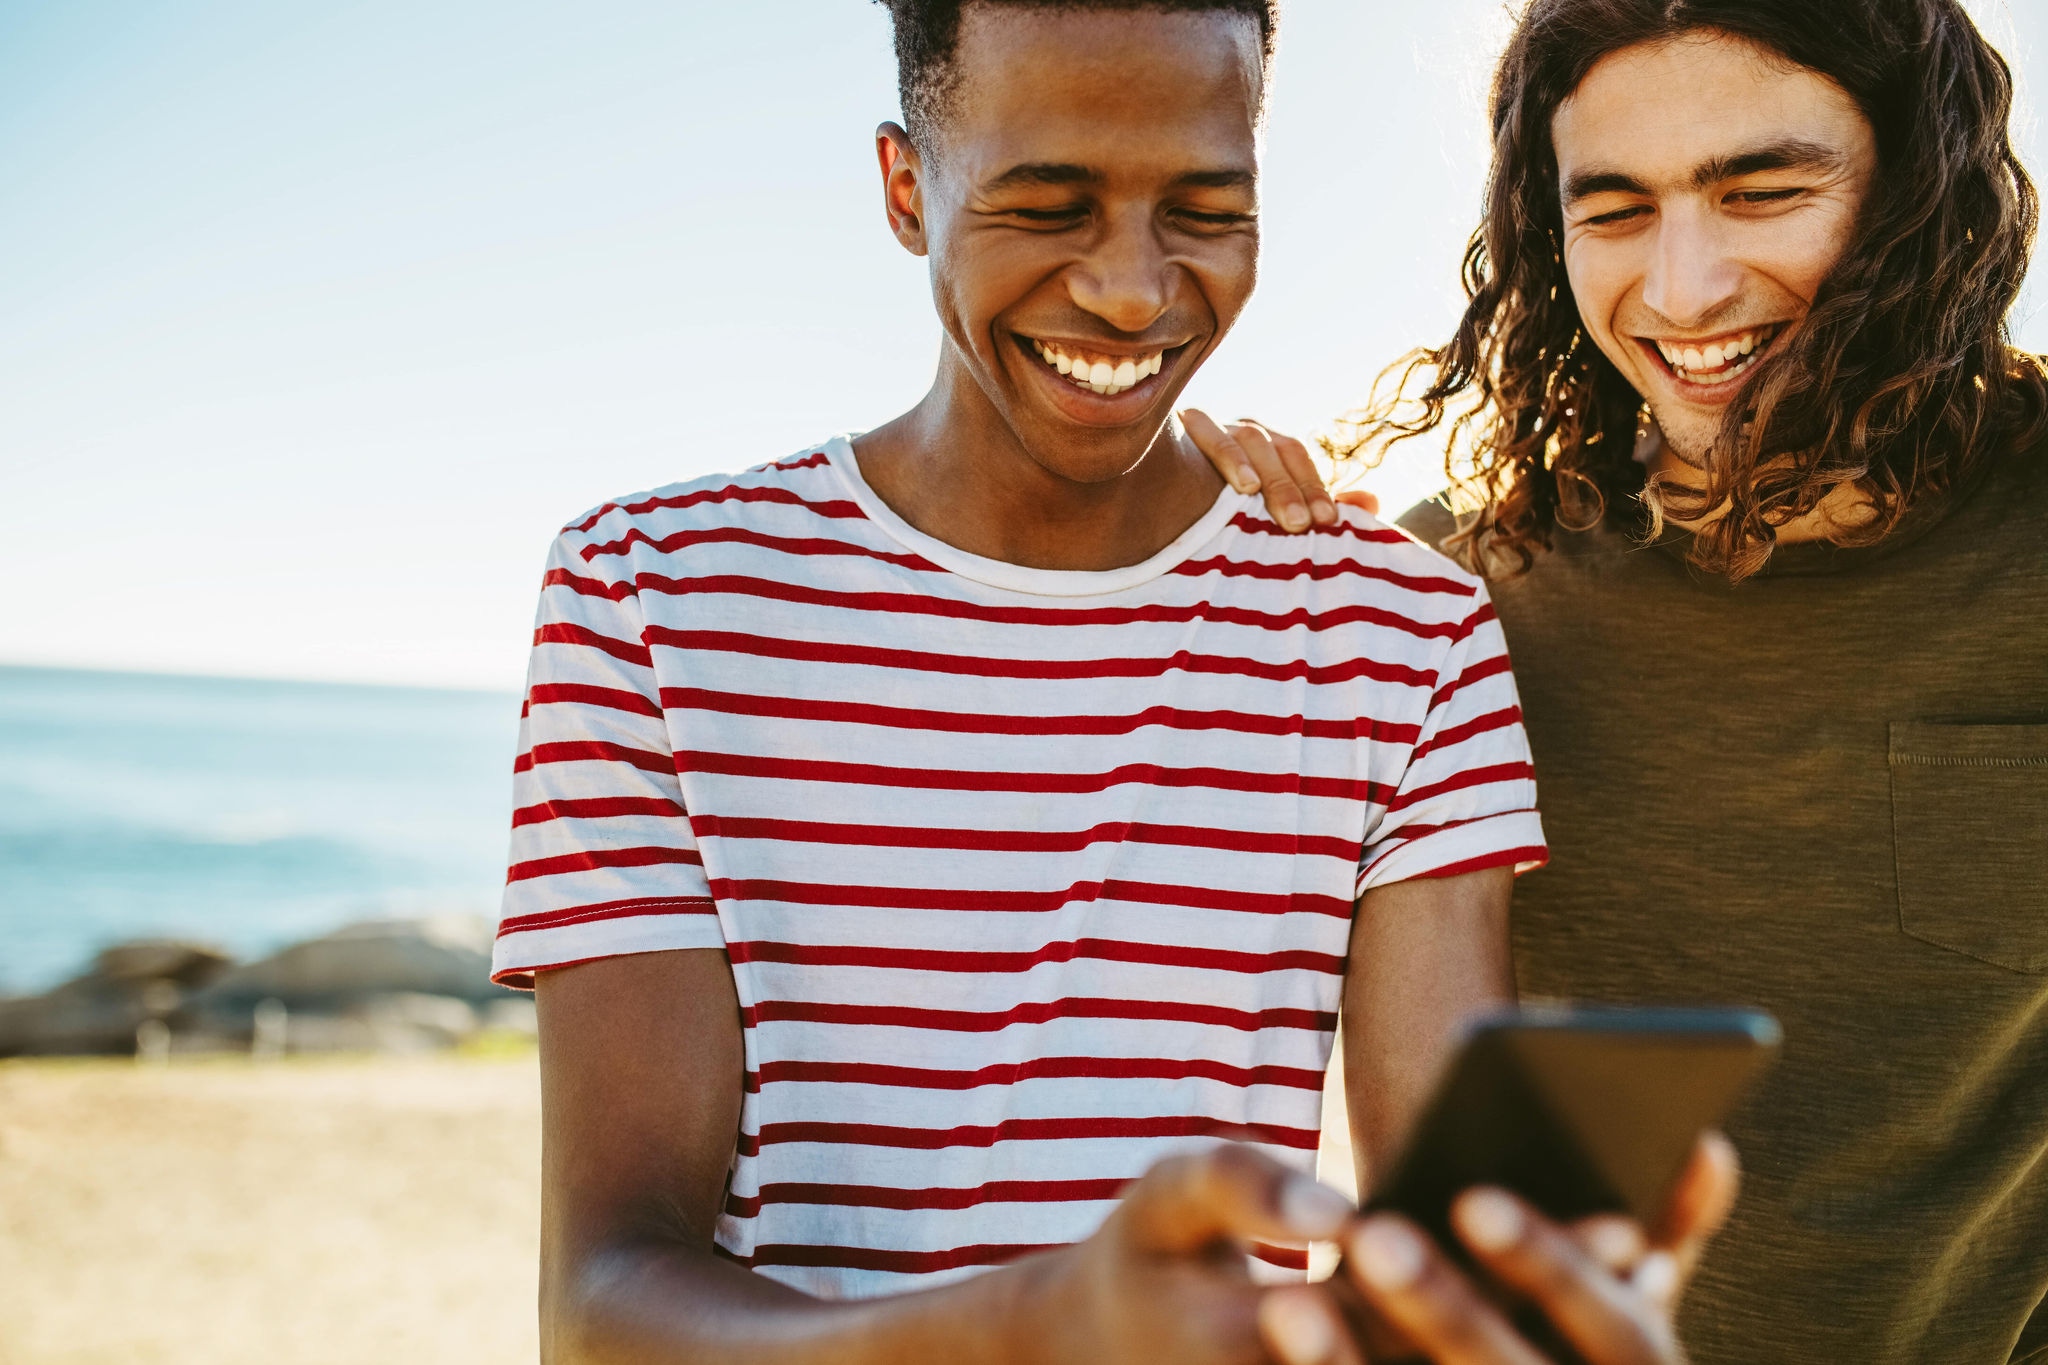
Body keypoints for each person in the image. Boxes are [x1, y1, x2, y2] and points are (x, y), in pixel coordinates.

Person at [492, 2, 1734, 1361]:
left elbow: (1429, 1254)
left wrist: (1499, 1312)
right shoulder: (651, 594)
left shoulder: (1400, 630)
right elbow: (602, 1307)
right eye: (1051, 205)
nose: (1136, 288)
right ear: (909, 190)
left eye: (1205, 206)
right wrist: (1037, 1325)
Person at [1186, 1, 2048, 1360]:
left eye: (1762, 191)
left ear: (1919, 186)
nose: (1686, 288)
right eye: (1618, 209)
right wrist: (1189, 532)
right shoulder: (1456, 600)